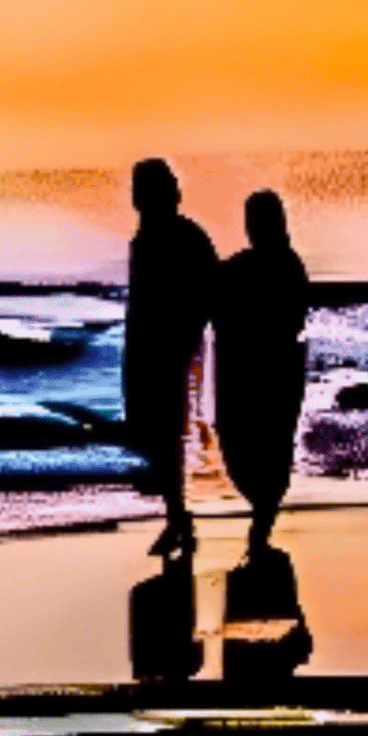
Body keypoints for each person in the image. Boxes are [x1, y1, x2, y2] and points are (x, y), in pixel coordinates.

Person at [124, 157, 220, 557]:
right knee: (155, 432)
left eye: (143, 190)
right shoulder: (146, 239)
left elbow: (211, 289)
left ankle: (178, 518)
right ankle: (177, 516)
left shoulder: (183, 236)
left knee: (164, 433)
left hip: (168, 347)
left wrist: (188, 332)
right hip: (149, 346)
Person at [213, 187, 312, 550]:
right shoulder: (269, 264)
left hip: (263, 370)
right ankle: (261, 527)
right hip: (270, 369)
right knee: (260, 446)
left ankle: (261, 530)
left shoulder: (280, 264)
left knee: (263, 446)